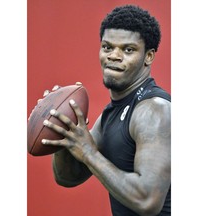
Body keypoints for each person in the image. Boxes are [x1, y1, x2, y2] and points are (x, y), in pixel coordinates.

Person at [41, 5, 171, 216]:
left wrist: (90, 153)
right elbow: (68, 177)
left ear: (148, 56)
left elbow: (148, 200)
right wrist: (62, 130)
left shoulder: (154, 111)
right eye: (107, 47)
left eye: (128, 49)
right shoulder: (111, 114)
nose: (114, 56)